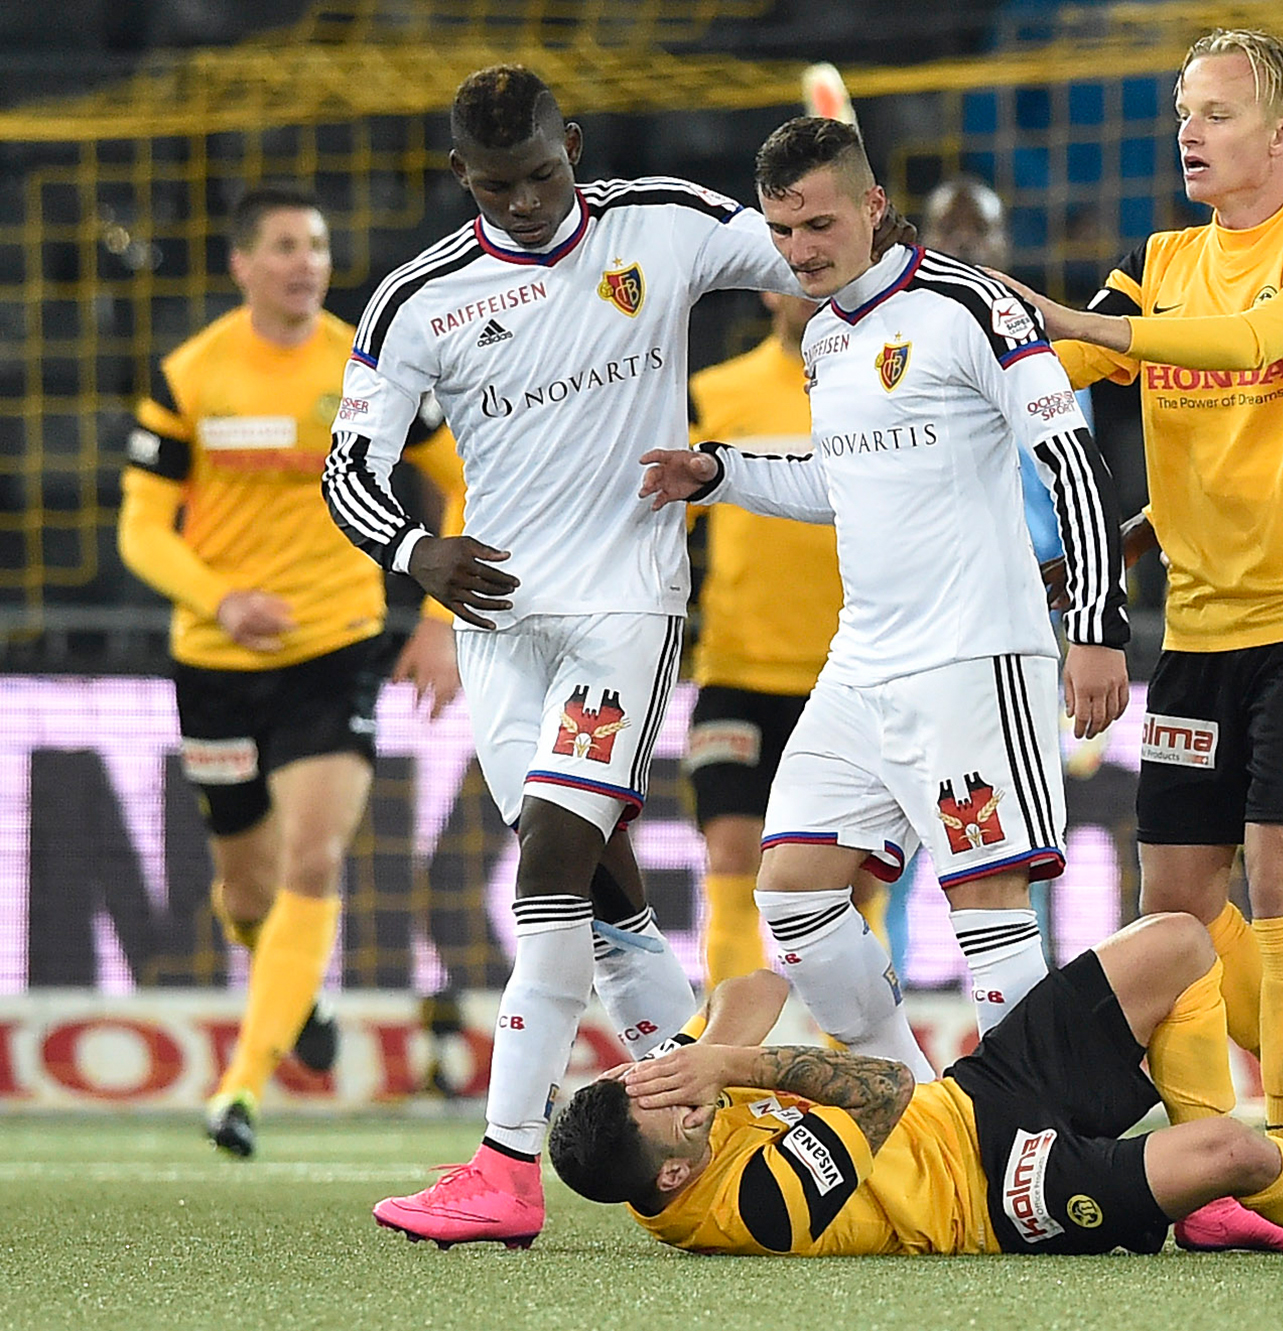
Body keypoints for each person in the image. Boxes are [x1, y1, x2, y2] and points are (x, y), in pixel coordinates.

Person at [324, 65, 800, 1247]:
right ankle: (702, 1115)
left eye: (543, 173)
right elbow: (348, 469)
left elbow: (809, 260)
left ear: (572, 143)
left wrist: (851, 210)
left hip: (624, 610)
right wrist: (413, 550)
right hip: (494, 627)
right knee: (600, 894)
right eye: (498, 184)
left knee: (549, 855)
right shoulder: (415, 300)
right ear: (459, 177)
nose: (527, 200)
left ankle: (504, 1162)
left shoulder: (666, 224)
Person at [639, 117, 1128, 1067]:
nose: (798, 252)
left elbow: (1070, 457)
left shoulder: (974, 307)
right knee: (790, 886)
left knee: (986, 895)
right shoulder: (824, 337)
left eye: (817, 225)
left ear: (872, 205)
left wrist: (1097, 627)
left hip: (974, 654)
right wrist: (723, 473)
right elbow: (845, 482)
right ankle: (904, 1094)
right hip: (865, 659)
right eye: (781, 232)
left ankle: (1023, 1134)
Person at [1000, 29, 1283, 1189]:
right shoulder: (1158, 259)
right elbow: (1051, 370)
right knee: (1173, 906)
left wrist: (1092, 331)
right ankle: (1226, 1135)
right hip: (1199, 623)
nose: (1189, 131)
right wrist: (959, 333)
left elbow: (1250, 342)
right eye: (1184, 111)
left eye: (1217, 113)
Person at [546, 914, 1283, 1258]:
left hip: (976, 1096)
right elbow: (881, 1085)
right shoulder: (753, 1206)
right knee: (1238, 1154)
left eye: (658, 1082)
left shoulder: (661, 1126)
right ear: (677, 1171)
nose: (683, 1091)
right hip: (994, 1195)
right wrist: (729, 1063)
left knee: (1179, 941)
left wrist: (703, 1046)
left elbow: (755, 981)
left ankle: (1212, 1214)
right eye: (673, 1105)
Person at [119, 185, 466, 1158]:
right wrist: (217, 596)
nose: (304, 261)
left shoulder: (367, 361)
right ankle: (293, 986)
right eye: (282, 245)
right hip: (219, 661)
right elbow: (140, 525)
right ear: (242, 264)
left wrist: (437, 615)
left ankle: (241, 1084)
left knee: (315, 859)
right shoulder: (194, 373)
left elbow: (457, 474)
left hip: (337, 642)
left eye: (315, 243)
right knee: (245, 896)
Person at [684, 291, 893, 988]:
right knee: (732, 859)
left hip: (853, 676)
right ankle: (726, 1068)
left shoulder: (885, 388)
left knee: (852, 886)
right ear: (769, 284)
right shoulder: (714, 394)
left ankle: (868, 1072)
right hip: (737, 670)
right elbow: (662, 526)